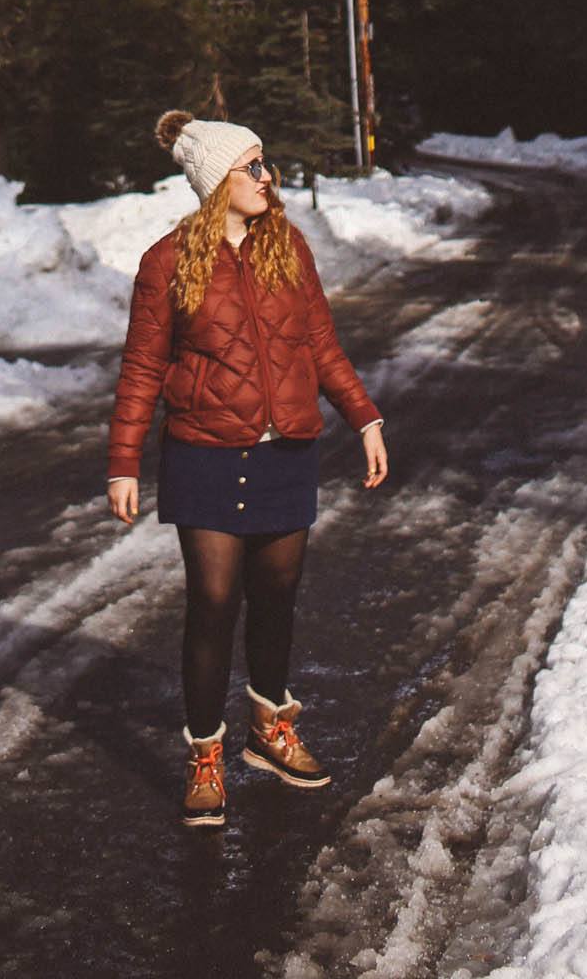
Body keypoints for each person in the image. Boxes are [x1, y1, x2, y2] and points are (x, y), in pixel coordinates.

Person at [107, 108, 389, 828]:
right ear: (216, 182)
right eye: (254, 166)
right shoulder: (165, 263)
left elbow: (321, 344)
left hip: (286, 450)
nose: (269, 177)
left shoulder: (287, 247)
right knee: (213, 600)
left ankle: (270, 728)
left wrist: (365, 417)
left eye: (268, 163)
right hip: (204, 450)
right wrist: (124, 463)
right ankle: (205, 755)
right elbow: (142, 368)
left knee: (278, 592)